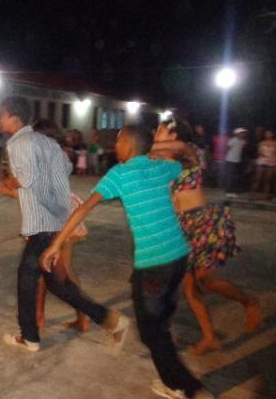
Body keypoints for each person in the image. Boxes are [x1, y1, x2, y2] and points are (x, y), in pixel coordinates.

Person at [40, 125, 214, 399]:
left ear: (129, 146)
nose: (114, 146)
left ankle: (188, 388)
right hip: (179, 257)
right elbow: (188, 152)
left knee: (152, 333)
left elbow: (84, 207)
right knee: (156, 325)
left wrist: (55, 244)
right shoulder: (163, 167)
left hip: (155, 264)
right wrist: (152, 149)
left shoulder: (119, 175)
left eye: (118, 141)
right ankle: (175, 381)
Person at [0, 96, 126, 353]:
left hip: (42, 223)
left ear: (14, 118)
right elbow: (67, 166)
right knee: (56, 284)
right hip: (58, 220)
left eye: (2, 115)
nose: (0, 119)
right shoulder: (48, 143)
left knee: (27, 279)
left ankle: (30, 337)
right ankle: (109, 320)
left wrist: (10, 182)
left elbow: (27, 178)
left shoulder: (19, 142)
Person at [152, 118, 260, 355]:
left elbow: (179, 147)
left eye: (161, 130)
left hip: (202, 222)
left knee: (206, 279)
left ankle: (249, 302)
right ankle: (210, 337)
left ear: (175, 135)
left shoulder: (189, 152)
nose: (156, 133)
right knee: (190, 288)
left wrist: (144, 144)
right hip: (180, 228)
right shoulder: (159, 161)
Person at [251, 129, 276, 200]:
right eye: (266, 133)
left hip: (271, 162)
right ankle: (253, 195)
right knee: (257, 179)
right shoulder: (261, 142)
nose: (268, 135)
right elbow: (259, 152)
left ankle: (265, 196)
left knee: (268, 180)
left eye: (269, 133)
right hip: (262, 161)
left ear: (273, 134)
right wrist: (262, 154)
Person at [224, 128, 248, 198]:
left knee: (235, 177)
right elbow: (227, 149)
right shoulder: (232, 140)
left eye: (244, 133)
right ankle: (228, 191)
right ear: (237, 134)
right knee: (230, 177)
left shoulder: (243, 141)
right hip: (230, 160)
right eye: (241, 133)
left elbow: (243, 150)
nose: (243, 134)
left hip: (238, 161)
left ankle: (233, 191)